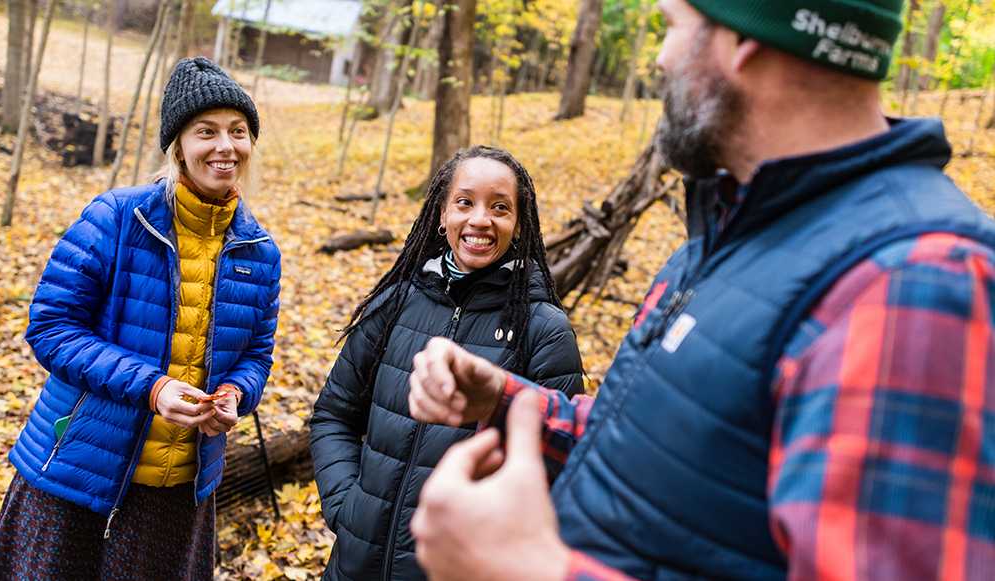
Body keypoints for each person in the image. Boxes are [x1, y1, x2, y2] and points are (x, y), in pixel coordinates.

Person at [406, 1, 995, 579]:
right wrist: (511, 402)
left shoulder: (912, 282)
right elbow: (669, 447)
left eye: (673, 27)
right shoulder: (728, 233)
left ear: (744, 42)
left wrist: (530, 570)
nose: (659, 59)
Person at [0, 57, 281, 580]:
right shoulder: (119, 217)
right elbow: (51, 327)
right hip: (79, 467)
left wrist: (236, 392)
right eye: (205, 131)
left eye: (238, 131)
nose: (225, 147)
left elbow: (256, 356)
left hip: (177, 487)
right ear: (178, 144)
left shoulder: (260, 251)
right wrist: (153, 387)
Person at [310, 145, 585, 580]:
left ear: (518, 223)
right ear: (442, 215)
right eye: (465, 202)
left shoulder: (542, 328)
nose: (480, 219)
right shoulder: (395, 303)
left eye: (499, 207)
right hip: (355, 564)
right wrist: (347, 506)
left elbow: (558, 464)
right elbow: (332, 414)